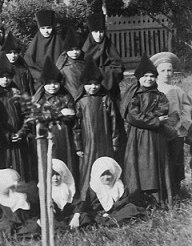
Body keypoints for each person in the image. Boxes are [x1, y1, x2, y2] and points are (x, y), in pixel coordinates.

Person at [121, 55, 173, 207]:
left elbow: (163, 111)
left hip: (156, 136)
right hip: (137, 136)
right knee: (139, 163)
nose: (149, 79)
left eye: (152, 76)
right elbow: (133, 116)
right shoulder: (134, 96)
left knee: (155, 163)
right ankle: (140, 196)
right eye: (145, 76)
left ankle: (157, 197)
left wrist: (150, 118)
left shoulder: (160, 96)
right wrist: (155, 120)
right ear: (139, 78)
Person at [73, 60, 121, 196]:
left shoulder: (106, 99)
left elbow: (114, 122)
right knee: (88, 168)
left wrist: (115, 142)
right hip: (88, 143)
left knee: (106, 167)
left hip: (105, 141)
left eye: (96, 84)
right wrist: (78, 146)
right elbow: (76, 127)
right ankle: (87, 195)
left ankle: (107, 195)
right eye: (89, 84)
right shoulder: (80, 102)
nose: (93, 87)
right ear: (83, 85)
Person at [151, 51, 191, 198]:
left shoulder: (178, 90)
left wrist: (181, 123)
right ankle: (161, 192)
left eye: (169, 70)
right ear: (156, 72)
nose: (166, 74)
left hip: (177, 130)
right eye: (162, 71)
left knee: (176, 159)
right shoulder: (153, 90)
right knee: (162, 160)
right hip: (160, 130)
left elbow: (187, 108)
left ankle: (176, 190)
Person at [32, 57, 77, 179]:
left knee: (65, 161)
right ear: (43, 84)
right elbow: (39, 117)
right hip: (46, 136)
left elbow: (71, 116)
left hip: (64, 135)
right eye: (49, 83)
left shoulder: (66, 97)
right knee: (49, 163)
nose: (52, 86)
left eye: (55, 83)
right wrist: (60, 113)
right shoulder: (39, 99)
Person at [0, 55, 30, 177]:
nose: (5, 80)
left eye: (8, 77)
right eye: (2, 77)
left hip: (19, 137)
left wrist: (22, 132)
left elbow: (27, 114)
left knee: (21, 168)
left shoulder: (17, 92)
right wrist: (7, 134)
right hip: (1, 140)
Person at [72, 156, 144, 228]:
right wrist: (77, 215)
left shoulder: (120, 186)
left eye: (108, 174)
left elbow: (124, 202)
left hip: (116, 212)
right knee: (84, 217)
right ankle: (107, 223)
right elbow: (86, 204)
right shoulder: (94, 187)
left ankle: (108, 223)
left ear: (114, 173)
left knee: (130, 209)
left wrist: (110, 211)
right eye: (102, 174)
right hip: (98, 215)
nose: (106, 177)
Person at [0, 168, 40, 238]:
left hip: (20, 226)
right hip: (5, 227)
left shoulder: (19, 197)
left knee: (34, 227)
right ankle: (4, 236)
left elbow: (27, 216)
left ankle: (20, 235)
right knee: (6, 226)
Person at [82, 13, 124, 105]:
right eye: (95, 32)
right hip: (91, 88)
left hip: (109, 87)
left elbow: (118, 67)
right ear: (91, 33)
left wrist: (103, 74)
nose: (99, 35)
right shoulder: (85, 49)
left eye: (101, 31)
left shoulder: (109, 46)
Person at [23, 9, 63, 84]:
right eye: (43, 28)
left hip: (57, 81)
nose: (46, 31)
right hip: (39, 81)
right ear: (39, 28)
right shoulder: (35, 44)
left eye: (48, 28)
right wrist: (40, 76)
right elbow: (28, 64)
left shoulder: (59, 43)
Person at [45, 159, 78, 230]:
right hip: (53, 218)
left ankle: (67, 226)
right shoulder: (44, 189)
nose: (55, 178)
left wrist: (76, 216)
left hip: (67, 216)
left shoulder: (68, 188)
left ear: (62, 174)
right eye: (52, 175)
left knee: (84, 216)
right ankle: (64, 228)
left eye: (58, 174)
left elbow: (76, 205)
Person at [55, 25, 86, 99]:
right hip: (68, 97)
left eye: (77, 49)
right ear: (66, 51)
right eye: (71, 50)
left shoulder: (85, 63)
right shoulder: (62, 66)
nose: (75, 52)